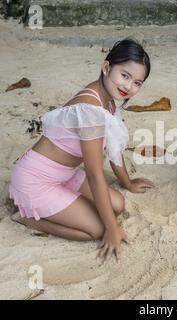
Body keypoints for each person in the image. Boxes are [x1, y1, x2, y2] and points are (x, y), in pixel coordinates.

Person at [9, 39, 154, 260]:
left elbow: (113, 146)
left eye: (137, 82)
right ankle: (26, 217)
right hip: (35, 181)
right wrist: (113, 228)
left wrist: (128, 183)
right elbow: (95, 174)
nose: (128, 87)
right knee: (97, 229)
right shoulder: (91, 110)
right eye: (124, 75)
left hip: (64, 175)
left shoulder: (109, 100)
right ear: (106, 67)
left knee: (118, 204)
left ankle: (63, 206)